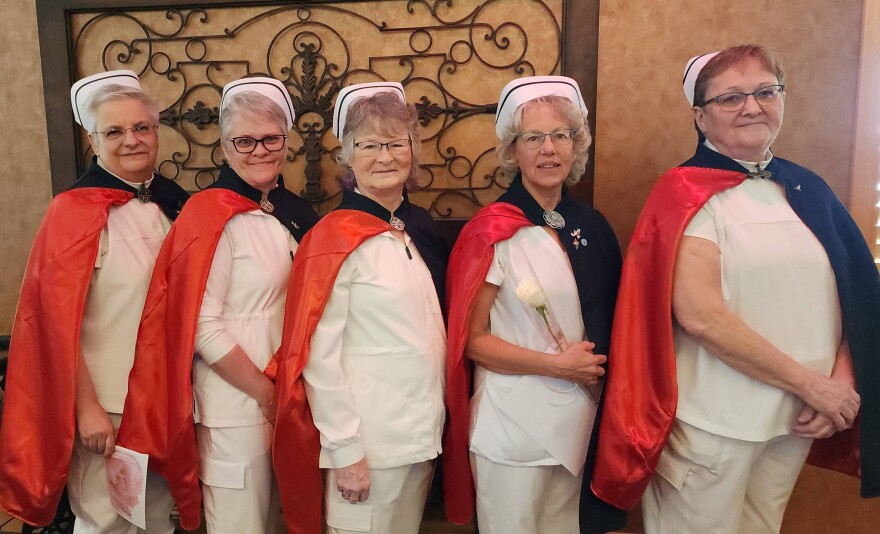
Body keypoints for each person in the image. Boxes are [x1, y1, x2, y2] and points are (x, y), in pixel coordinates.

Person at [592, 44, 880, 533]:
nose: (752, 106)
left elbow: (856, 292)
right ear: (701, 118)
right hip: (713, 427)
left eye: (766, 91)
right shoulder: (685, 193)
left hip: (795, 421)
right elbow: (701, 315)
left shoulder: (809, 189)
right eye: (731, 98)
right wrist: (812, 384)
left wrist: (841, 383)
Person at [116, 76, 319, 533]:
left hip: (287, 398)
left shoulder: (294, 212)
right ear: (224, 147)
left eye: (271, 138)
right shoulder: (208, 214)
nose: (260, 150)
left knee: (274, 521)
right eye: (244, 141)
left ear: (287, 141)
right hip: (235, 407)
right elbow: (202, 325)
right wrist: (265, 393)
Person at [0, 70, 189, 532]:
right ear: (92, 139)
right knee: (107, 522)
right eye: (114, 131)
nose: (132, 140)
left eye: (141, 127)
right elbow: (53, 323)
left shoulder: (174, 204)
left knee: (157, 521)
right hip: (110, 405)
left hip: (167, 400)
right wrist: (88, 409)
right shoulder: (73, 212)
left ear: (157, 131)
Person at [443, 76, 627, 534]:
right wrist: (557, 366)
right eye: (533, 138)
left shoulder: (593, 226)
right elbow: (472, 341)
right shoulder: (492, 231)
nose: (549, 149)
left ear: (575, 145)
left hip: (579, 421)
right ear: (512, 152)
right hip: (512, 427)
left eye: (560, 135)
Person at [271, 81, 448, 534]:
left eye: (396, 143)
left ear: (413, 152)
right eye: (370, 145)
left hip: (419, 442)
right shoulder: (333, 239)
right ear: (348, 157)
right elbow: (318, 360)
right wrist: (347, 452)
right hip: (367, 450)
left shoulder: (409, 232)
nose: (385, 156)